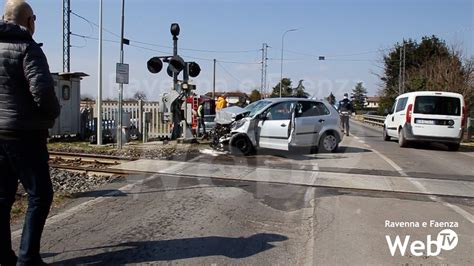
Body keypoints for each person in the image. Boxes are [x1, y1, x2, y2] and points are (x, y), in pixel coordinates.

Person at [0, 1, 60, 265]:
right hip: (23, 135)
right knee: (40, 194)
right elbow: (43, 92)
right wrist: (51, 115)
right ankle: (28, 258)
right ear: (30, 20)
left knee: (2, 197)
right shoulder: (28, 49)